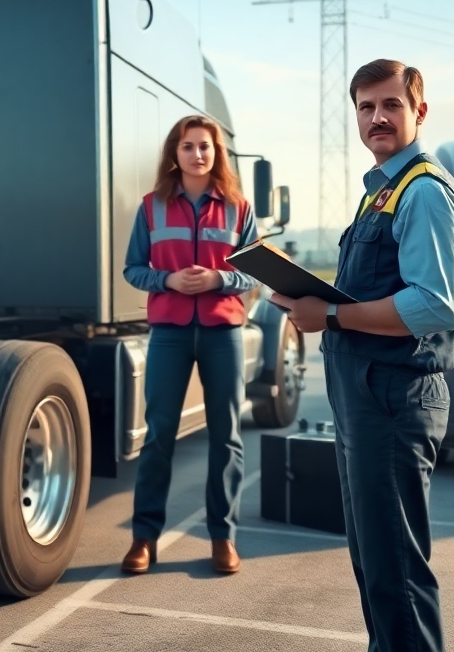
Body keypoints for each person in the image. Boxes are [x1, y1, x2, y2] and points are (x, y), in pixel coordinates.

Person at [272, 59, 454, 652]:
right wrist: (314, 298)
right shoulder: (382, 191)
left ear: (419, 111)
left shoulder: (425, 193)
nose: (378, 117)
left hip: (395, 400)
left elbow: (434, 306)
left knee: (397, 577)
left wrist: (330, 316)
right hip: (367, 399)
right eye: (366, 107)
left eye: (391, 105)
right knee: (376, 567)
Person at [120, 114, 259, 576]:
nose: (197, 154)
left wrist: (219, 278)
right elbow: (134, 269)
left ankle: (223, 537)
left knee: (227, 437)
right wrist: (169, 279)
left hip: (223, 333)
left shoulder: (239, 207)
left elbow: (257, 271)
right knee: (159, 436)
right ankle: (144, 539)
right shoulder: (151, 206)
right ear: (174, 154)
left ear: (216, 153)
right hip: (170, 334)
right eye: (188, 146)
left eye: (205, 146)